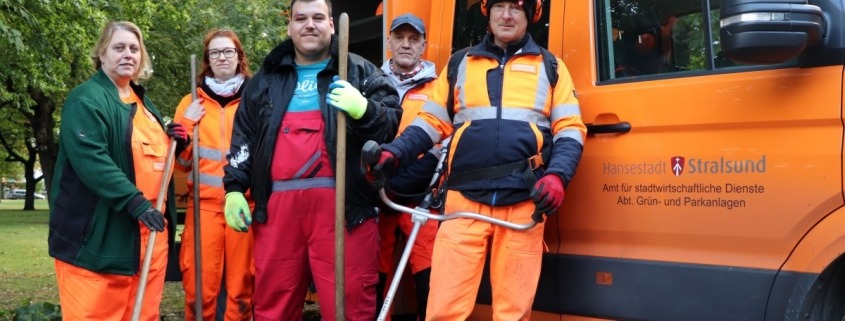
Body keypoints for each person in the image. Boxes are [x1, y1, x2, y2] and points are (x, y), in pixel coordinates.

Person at [364, 0, 586, 320]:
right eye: (499, 6)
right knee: (444, 310)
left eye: (517, 8)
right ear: (487, 11)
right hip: (463, 202)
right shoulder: (460, 63)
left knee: (512, 313)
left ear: (532, 15)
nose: (506, 16)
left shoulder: (551, 67)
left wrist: (557, 177)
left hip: (523, 201)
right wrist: (394, 153)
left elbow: (570, 130)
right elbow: (430, 123)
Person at [221, 0, 401, 320]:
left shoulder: (359, 71)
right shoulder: (265, 81)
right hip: (277, 211)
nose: (309, 25)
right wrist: (234, 186)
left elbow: (389, 125)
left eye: (318, 17)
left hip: (345, 209)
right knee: (273, 304)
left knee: (349, 305)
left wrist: (364, 110)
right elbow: (244, 136)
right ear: (290, 26)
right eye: (300, 18)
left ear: (331, 25)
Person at [48, 21, 189, 321]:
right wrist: (136, 204)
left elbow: (147, 158)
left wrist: (175, 141)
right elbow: (93, 160)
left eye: (134, 49)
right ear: (101, 53)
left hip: (148, 241)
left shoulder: (142, 102)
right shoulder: (86, 99)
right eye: (119, 47)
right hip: (100, 243)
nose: (128, 54)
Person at [173, 29, 254, 321]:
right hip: (203, 210)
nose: (222, 57)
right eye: (215, 52)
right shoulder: (190, 102)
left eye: (228, 51)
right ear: (207, 59)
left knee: (242, 289)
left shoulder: (255, 99)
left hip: (245, 206)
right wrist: (186, 124)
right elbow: (180, 164)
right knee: (198, 290)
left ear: (239, 57)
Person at [375, 13, 439, 321]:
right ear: (388, 41)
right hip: (378, 196)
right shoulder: (369, 84)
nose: (405, 44)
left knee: (429, 275)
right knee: (374, 273)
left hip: (421, 197)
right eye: (399, 38)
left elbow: (444, 143)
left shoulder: (440, 89)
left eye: (413, 39)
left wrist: (413, 181)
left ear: (423, 45)